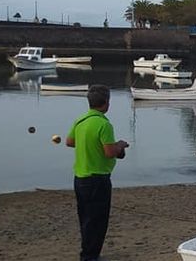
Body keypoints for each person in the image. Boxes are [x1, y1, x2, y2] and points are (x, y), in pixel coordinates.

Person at [66, 85, 128, 261]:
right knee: (98, 220)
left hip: (80, 178)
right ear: (106, 103)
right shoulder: (103, 124)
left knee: (85, 218)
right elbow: (109, 152)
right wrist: (121, 145)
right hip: (98, 179)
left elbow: (70, 142)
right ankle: (90, 256)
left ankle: (88, 253)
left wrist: (88, 143)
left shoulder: (81, 120)